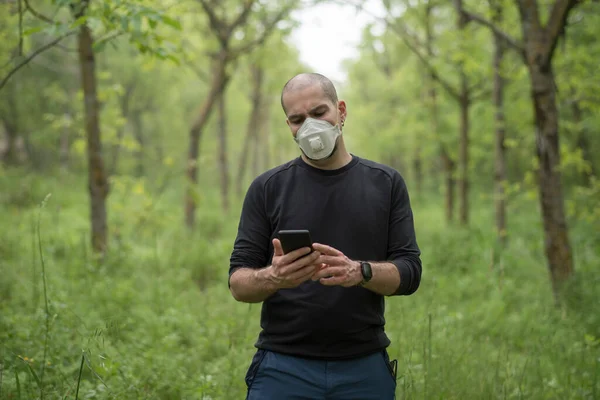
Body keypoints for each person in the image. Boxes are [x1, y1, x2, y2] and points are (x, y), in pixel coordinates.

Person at [228, 72, 422, 400]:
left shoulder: (386, 183)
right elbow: (238, 283)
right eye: (297, 119)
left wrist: (360, 272)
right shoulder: (267, 188)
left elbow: (410, 274)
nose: (309, 126)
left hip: (364, 366)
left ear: (341, 111)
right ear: (288, 124)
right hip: (282, 367)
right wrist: (274, 277)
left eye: (319, 113)